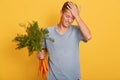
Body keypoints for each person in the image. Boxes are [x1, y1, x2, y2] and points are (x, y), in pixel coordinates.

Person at [37, 1, 92, 80]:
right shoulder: (47, 31)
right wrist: (41, 55)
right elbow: (43, 50)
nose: (69, 20)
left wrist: (77, 16)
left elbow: (88, 36)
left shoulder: (76, 30)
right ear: (61, 13)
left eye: (72, 18)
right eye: (67, 16)